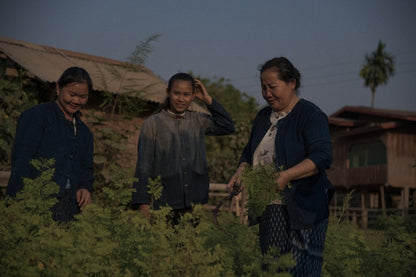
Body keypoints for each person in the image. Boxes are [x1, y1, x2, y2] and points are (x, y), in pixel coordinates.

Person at [228, 57, 333, 276]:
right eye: (263, 88)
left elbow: (322, 156)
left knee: (301, 269)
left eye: (272, 87)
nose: (267, 93)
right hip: (271, 205)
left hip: (304, 206)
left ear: (291, 83)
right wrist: (241, 171)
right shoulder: (262, 116)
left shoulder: (310, 115)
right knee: (273, 265)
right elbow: (249, 151)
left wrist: (287, 175)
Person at [132, 72, 235, 224]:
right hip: (163, 202)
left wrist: (208, 100)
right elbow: (143, 166)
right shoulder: (152, 124)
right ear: (168, 93)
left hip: (194, 202)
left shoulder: (198, 120)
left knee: (188, 246)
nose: (181, 99)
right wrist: (143, 203)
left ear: (193, 96)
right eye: (176, 93)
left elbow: (228, 126)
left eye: (186, 94)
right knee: (163, 246)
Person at [6, 66, 94, 222]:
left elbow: (86, 168)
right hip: (37, 200)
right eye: (72, 94)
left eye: (83, 96)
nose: (76, 101)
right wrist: (14, 203)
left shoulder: (85, 133)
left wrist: (85, 187)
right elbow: (22, 161)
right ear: (59, 88)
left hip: (71, 205)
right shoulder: (37, 117)